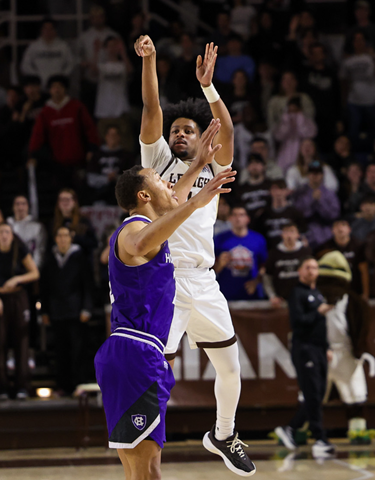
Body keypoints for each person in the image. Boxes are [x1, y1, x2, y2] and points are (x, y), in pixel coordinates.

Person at [135, 35, 255, 475]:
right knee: (159, 374)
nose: (180, 134)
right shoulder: (157, 160)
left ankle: (224, 434)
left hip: (204, 280)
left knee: (230, 368)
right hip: (165, 278)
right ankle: (146, 447)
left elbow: (228, 128)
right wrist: (149, 62)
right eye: (176, 129)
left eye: (188, 129)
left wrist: (208, 86)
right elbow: (151, 108)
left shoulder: (211, 165)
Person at [95, 161, 233, 479]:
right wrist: (197, 202)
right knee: (144, 472)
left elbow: (174, 201)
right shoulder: (133, 229)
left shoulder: (154, 225)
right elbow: (140, 242)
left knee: (148, 471)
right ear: (144, 195)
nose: (171, 185)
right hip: (135, 353)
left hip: (142, 354)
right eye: (161, 179)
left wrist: (199, 164)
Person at [274, 257, 335, 458]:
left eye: (315, 267)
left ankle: (291, 428)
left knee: (317, 393)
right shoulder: (297, 293)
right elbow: (298, 322)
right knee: (312, 393)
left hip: (319, 349)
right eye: (308, 267)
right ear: (300, 271)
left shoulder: (317, 293)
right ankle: (319, 438)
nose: (311, 271)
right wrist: (318, 312)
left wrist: (326, 347)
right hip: (304, 348)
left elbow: (321, 326)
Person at [316, 251, 374, 444]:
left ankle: (358, 432)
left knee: (355, 392)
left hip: (347, 352)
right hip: (320, 352)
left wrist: (360, 349)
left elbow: (362, 327)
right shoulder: (312, 298)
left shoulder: (353, 301)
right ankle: (303, 431)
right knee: (311, 394)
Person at [0, 223, 40, 400]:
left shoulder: (19, 250)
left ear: (12, 235)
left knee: (21, 341)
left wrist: (16, 279)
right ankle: (2, 387)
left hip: (18, 298)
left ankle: (22, 386)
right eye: (1, 232)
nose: (4, 235)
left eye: (7, 232)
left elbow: (34, 273)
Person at [41, 226, 94, 395]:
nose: (63, 239)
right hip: (57, 312)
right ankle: (63, 386)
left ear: (71, 238)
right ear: (55, 239)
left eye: (66, 235)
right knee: (60, 351)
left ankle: (79, 385)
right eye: (59, 235)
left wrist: (87, 308)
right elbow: (44, 288)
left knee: (78, 350)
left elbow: (88, 285)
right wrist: (45, 311)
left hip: (76, 311)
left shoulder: (80, 258)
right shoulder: (50, 260)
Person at [28, 75, 100, 193]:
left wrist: (92, 148)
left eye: (59, 87)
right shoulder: (45, 112)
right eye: (53, 87)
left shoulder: (76, 107)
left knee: (79, 192)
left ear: (65, 89)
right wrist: (33, 155)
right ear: (50, 90)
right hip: (56, 162)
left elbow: (89, 129)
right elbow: (37, 135)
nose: (56, 90)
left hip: (78, 160)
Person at [340, 32, 375, 150]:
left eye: (361, 40)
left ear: (365, 42)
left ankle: (374, 153)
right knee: (353, 130)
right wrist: (344, 101)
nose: (359, 42)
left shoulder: (373, 57)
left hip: (371, 100)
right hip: (354, 101)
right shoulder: (348, 60)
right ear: (353, 43)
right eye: (356, 40)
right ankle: (354, 155)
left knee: (373, 130)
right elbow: (343, 80)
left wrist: (374, 57)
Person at [214, 205, 268, 301]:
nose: (238, 218)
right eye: (234, 215)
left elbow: (265, 267)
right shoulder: (219, 239)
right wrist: (220, 265)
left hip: (252, 293)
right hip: (226, 293)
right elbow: (211, 269)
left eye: (241, 215)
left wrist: (256, 281)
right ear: (230, 218)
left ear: (248, 219)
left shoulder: (258, 239)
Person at [314, 217, 369, 298]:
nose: (340, 228)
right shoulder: (324, 248)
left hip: (354, 290)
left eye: (343, 225)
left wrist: (366, 293)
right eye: (336, 226)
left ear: (349, 229)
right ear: (332, 230)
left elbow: (364, 270)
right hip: (332, 291)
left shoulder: (358, 246)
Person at [291, 161, 341, 248]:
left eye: (317, 173)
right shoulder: (300, 193)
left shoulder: (329, 193)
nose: (315, 176)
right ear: (308, 175)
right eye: (312, 173)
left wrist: (320, 201)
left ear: (322, 175)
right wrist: (311, 199)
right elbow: (296, 213)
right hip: (305, 233)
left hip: (325, 234)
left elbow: (334, 215)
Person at [263, 221, 311, 307]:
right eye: (286, 232)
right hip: (281, 301)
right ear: (281, 234)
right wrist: (272, 296)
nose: (289, 235)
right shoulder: (274, 253)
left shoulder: (305, 252)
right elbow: (267, 277)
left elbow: (313, 274)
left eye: (292, 231)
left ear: (298, 234)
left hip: (303, 299)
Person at [86, 125, 136, 205]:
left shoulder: (127, 156)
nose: (112, 137)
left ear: (119, 137)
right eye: (110, 134)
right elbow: (90, 179)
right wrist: (106, 179)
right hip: (99, 193)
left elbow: (132, 178)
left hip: (120, 193)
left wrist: (116, 177)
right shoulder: (96, 155)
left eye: (115, 135)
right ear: (106, 136)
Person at [20, 19, 76, 90]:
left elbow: (71, 63)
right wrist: (36, 76)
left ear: (55, 30)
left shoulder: (63, 46)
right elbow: (25, 65)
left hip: (57, 86)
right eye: (45, 28)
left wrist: (62, 76)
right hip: (39, 87)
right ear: (41, 30)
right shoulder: (34, 46)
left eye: (51, 29)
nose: (48, 31)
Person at [273, 97, 317, 172]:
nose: (293, 114)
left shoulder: (308, 121)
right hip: (285, 156)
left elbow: (310, 134)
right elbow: (278, 136)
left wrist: (300, 122)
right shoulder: (283, 123)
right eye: (290, 111)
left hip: (303, 155)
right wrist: (286, 123)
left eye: (295, 111)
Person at [7, 195, 47, 269]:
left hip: (30, 268)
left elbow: (40, 250)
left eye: (23, 204)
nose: (20, 207)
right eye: (17, 204)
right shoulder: (7, 225)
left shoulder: (37, 226)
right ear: (13, 207)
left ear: (28, 206)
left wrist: (34, 269)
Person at [234, 154, 271, 218]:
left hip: (268, 220)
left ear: (264, 166)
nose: (254, 166)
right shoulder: (241, 189)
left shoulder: (270, 185)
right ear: (247, 167)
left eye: (257, 163)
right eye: (251, 163)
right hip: (248, 223)